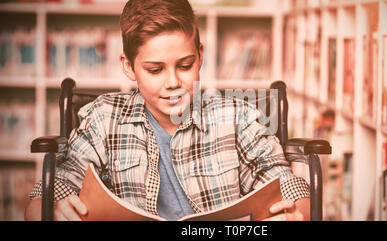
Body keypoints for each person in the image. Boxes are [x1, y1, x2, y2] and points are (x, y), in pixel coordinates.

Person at [24, 0, 310, 221]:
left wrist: (297, 212)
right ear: (128, 67)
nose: (173, 82)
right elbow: (45, 197)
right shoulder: (103, 119)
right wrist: (53, 210)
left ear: (200, 56)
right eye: (155, 69)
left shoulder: (237, 118)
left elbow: (290, 187)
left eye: (185, 65)